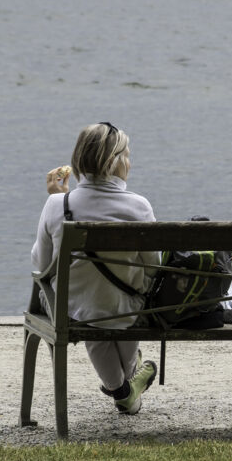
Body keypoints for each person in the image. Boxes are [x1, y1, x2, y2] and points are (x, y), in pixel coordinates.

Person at [31, 122, 159, 414]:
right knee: (115, 308)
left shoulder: (57, 204)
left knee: (90, 310)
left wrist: (54, 199)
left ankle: (123, 390)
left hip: (73, 308)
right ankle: (126, 390)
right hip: (127, 306)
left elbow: (40, 265)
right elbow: (153, 266)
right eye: (127, 154)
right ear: (118, 162)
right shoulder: (139, 207)